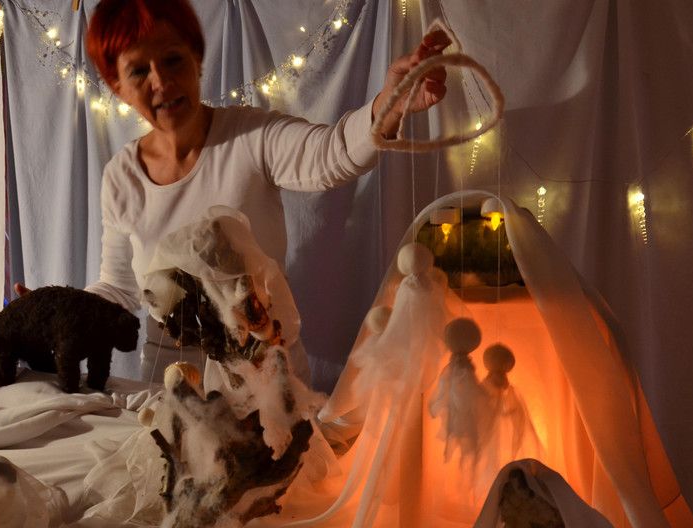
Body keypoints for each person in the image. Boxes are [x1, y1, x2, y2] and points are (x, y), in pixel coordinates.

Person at [78, 0, 449, 384]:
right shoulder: (121, 176)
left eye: (172, 60)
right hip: (170, 382)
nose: (161, 81)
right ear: (118, 87)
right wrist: (62, 308)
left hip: (267, 379)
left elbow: (331, 154)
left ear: (196, 59)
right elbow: (119, 286)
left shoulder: (251, 136)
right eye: (139, 71)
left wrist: (390, 106)